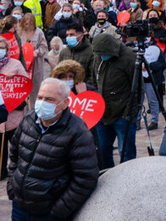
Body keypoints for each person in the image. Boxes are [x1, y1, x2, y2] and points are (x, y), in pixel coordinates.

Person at [8, 78, 99, 221]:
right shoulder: (28, 120)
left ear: (64, 104)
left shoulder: (77, 132)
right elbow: (14, 155)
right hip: (20, 207)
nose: (42, 102)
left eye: (49, 99)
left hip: (49, 213)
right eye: (40, 97)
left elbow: (85, 178)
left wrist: (59, 210)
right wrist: (12, 187)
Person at [91, 32, 136, 169]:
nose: (101, 57)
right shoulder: (98, 56)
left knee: (126, 153)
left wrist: (129, 113)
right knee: (103, 151)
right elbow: (94, 79)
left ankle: (127, 178)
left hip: (122, 114)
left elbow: (137, 88)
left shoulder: (128, 57)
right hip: (102, 114)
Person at [0, 32, 29, 180]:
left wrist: (14, 80)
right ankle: (1, 171)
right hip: (0, 115)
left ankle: (20, 170)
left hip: (14, 113)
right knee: (1, 147)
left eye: (2, 48)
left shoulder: (15, 64)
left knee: (18, 145)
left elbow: (25, 85)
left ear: (7, 49)